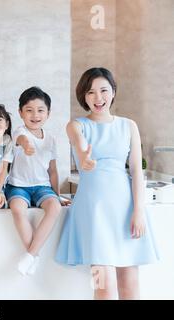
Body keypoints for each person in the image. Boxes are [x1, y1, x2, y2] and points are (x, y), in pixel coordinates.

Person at [55, 67, 159, 299]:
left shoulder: (129, 125)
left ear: (113, 92)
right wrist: (85, 159)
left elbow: (136, 170)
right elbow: (81, 148)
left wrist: (139, 211)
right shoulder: (76, 125)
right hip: (94, 211)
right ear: (83, 96)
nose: (98, 98)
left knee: (130, 284)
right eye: (91, 92)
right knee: (103, 283)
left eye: (103, 90)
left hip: (125, 209)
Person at [4, 87, 66, 276]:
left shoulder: (51, 140)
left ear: (48, 113)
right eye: (29, 110)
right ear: (20, 112)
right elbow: (21, 140)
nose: (35, 115)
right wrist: (27, 145)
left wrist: (57, 195)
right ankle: (35, 256)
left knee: (55, 207)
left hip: (42, 187)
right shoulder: (19, 132)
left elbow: (53, 171)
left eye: (40, 110)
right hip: (18, 186)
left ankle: (30, 255)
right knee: (17, 209)